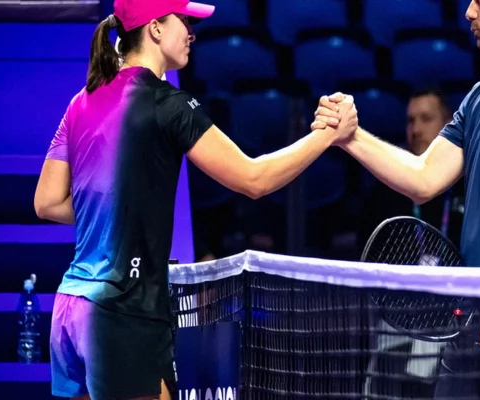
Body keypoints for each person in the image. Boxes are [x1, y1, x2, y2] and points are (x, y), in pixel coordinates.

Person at [32, 1, 358, 399]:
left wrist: (121, 209)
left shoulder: (81, 101)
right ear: (155, 28)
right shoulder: (168, 104)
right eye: (184, 20)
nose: (192, 32)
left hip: (71, 310)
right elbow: (253, 179)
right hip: (121, 311)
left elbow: (48, 202)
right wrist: (328, 136)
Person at [313, 0, 480, 397]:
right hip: (472, 315)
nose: (469, 12)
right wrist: (350, 136)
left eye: (478, 1)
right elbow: (423, 177)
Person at [357, 88, 465, 251]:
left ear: (449, 125)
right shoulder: (387, 184)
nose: (416, 130)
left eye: (426, 119)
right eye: (410, 121)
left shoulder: (469, 183)